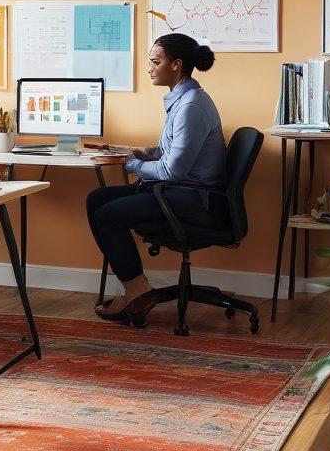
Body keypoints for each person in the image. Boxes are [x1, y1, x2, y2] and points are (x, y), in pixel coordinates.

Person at [86, 33, 228, 326]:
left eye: (155, 61)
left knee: (107, 216)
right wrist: (136, 152)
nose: (149, 68)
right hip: (179, 189)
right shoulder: (184, 98)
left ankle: (137, 292)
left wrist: (132, 164)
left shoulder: (190, 107)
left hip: (190, 197)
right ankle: (137, 288)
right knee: (96, 199)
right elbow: (169, 150)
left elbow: (173, 170)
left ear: (176, 64)